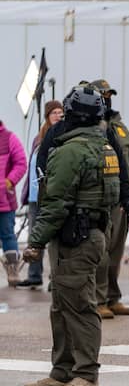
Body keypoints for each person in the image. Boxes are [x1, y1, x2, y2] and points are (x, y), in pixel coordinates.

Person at [22, 86, 120, 386]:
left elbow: (55, 203)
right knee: (61, 305)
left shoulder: (70, 151)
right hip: (88, 233)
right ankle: (61, 371)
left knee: (78, 307)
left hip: (75, 237)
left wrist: (35, 242)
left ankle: (86, 375)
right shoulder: (105, 147)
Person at [36, 81, 129, 318]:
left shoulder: (108, 131)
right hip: (73, 211)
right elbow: (43, 170)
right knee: (80, 267)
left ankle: (108, 296)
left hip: (104, 208)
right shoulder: (58, 132)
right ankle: (96, 299)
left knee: (109, 255)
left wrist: (126, 196)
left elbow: (121, 165)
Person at [91, 80, 129, 317]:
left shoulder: (119, 127)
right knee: (102, 252)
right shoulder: (90, 127)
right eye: (103, 96)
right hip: (101, 200)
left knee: (116, 252)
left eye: (109, 96)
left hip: (120, 200)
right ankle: (98, 299)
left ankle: (112, 295)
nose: (107, 100)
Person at [19, 100, 64, 288]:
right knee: (34, 237)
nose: (57, 116)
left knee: (54, 238)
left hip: (51, 195)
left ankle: (56, 278)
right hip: (35, 197)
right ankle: (34, 274)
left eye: (60, 112)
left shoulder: (62, 136)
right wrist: (27, 192)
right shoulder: (39, 138)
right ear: (47, 115)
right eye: (54, 112)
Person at [0, 120, 27, 286]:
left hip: (4, 200)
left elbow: (21, 163)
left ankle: (12, 269)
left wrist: (9, 182)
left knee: (7, 234)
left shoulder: (9, 138)